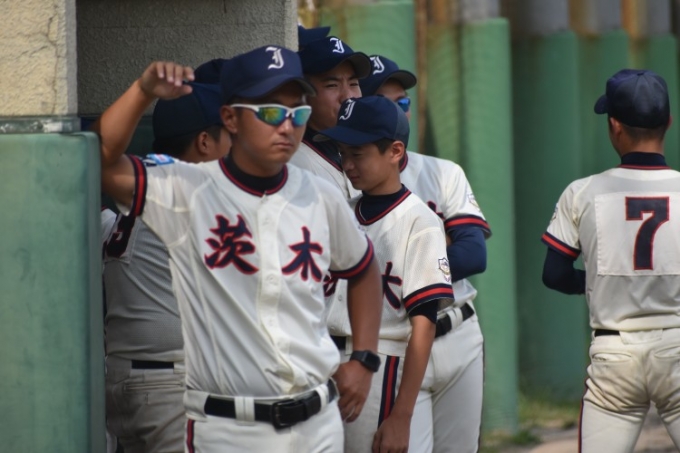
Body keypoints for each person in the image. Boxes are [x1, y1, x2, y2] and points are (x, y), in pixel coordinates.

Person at [93, 47, 383, 452]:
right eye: (270, 112)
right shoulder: (187, 190)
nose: (287, 126)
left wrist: (365, 358)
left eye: (298, 112)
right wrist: (143, 91)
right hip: (228, 427)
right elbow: (102, 160)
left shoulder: (320, 193)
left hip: (317, 423)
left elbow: (364, 268)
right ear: (230, 118)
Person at [542, 69, 680, 452]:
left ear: (614, 126)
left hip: (614, 353)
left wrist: (599, 282)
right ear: (669, 121)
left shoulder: (582, 191)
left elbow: (554, 274)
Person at [361, 54, 489, 452]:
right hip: (398, 342)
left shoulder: (442, 171)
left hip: (458, 330)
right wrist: (429, 256)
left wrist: (410, 267)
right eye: (385, 102)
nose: (400, 110)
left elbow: (474, 254)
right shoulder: (353, 177)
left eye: (403, 102)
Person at [316, 95, 455, 453]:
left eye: (357, 153)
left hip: (380, 365)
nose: (348, 164)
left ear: (395, 151)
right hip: (325, 360)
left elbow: (424, 324)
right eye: (342, 154)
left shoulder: (420, 221)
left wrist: (402, 416)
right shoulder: (342, 211)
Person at [100, 82, 229, 453]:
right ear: (204, 142)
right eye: (230, 136)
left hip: (123, 379)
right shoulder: (195, 193)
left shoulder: (143, 186)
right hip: (171, 387)